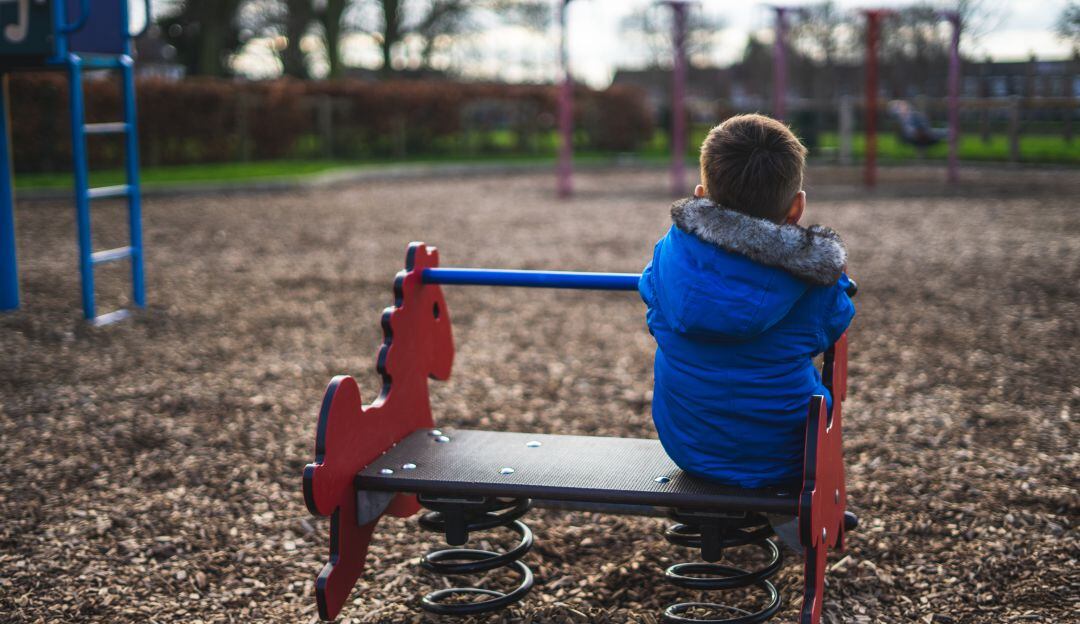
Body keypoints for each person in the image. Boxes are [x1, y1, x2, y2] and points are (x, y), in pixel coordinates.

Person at [638, 114, 855, 549]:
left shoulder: (669, 254)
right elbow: (832, 325)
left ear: (702, 197)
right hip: (784, 457)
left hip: (687, 443)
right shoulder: (811, 281)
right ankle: (797, 525)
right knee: (816, 394)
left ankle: (739, 512)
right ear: (797, 207)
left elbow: (653, 309)